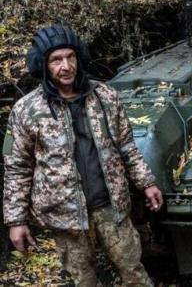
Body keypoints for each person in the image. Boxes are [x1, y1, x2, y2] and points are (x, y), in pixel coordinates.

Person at [3, 25, 163, 287]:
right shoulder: (26, 110)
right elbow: (17, 168)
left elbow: (126, 146)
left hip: (112, 208)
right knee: (84, 281)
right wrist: (16, 220)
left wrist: (147, 182)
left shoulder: (106, 96)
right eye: (56, 60)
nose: (66, 66)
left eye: (70, 57)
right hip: (65, 217)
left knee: (134, 273)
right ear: (43, 65)